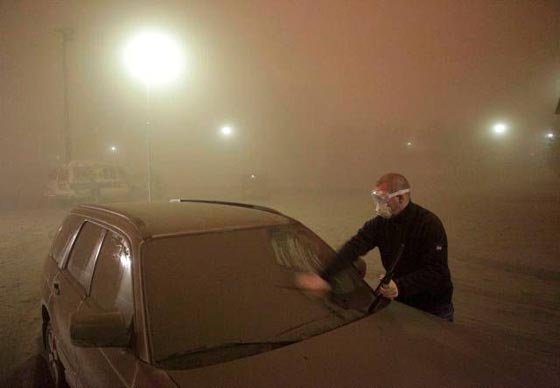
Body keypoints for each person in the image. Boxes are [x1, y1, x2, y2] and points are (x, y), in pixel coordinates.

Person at [297, 173, 454, 322]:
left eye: (383, 199)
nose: (379, 205)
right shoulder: (379, 224)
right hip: (401, 302)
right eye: (376, 199)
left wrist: (400, 286)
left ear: (401, 198)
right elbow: (354, 247)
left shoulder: (429, 224)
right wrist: (324, 276)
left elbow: (436, 270)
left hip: (434, 307)